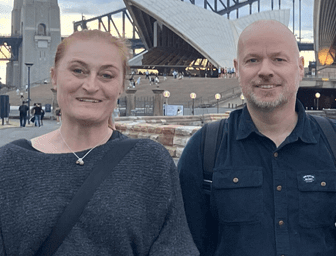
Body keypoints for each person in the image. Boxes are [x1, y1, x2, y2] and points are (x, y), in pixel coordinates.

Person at [178, 19, 336, 256]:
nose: (265, 71)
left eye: (278, 59)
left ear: (300, 67)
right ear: (237, 68)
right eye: (252, 60)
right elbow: (185, 246)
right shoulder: (204, 149)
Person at [0, 29, 197, 255]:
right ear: (54, 77)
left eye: (106, 75)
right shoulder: (9, 164)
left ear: (122, 86)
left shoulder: (150, 162)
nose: (91, 86)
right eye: (78, 71)